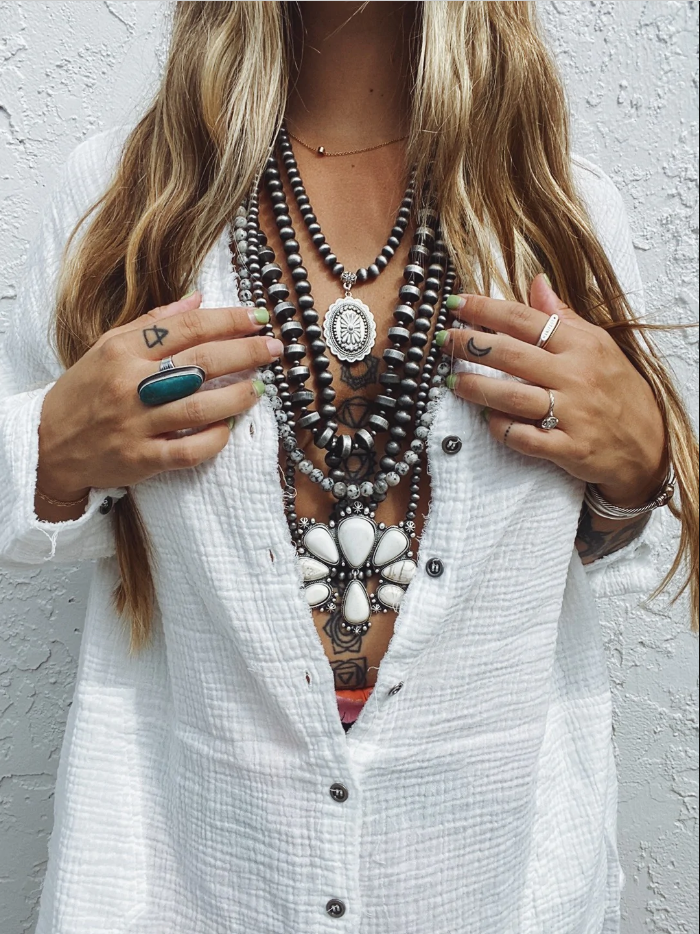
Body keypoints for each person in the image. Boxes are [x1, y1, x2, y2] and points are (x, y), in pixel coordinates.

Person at [0, 2, 696, 932]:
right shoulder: (125, 198)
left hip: (491, 877)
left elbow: (604, 545)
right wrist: (52, 451)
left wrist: (640, 465)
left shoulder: (560, 211)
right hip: (186, 875)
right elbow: (25, 501)